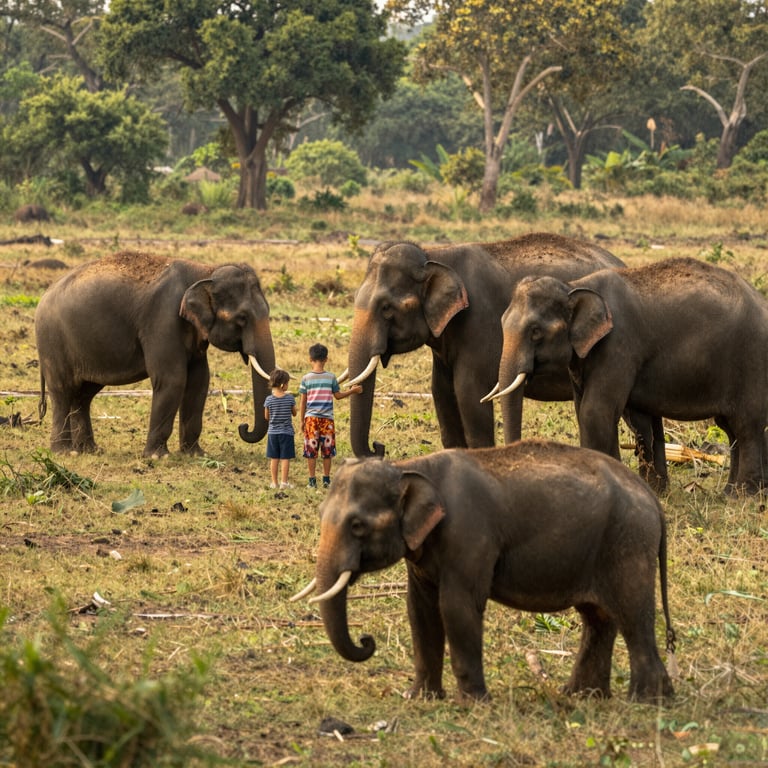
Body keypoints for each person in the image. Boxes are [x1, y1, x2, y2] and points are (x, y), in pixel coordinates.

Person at [299, 343, 362, 488]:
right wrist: (353, 391)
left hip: (311, 420)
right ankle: (326, 480)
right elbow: (338, 396)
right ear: (326, 359)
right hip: (327, 420)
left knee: (311, 451)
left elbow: (303, 402)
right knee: (327, 451)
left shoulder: (306, 378)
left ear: (310, 359)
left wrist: (302, 420)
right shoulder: (331, 377)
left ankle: (312, 481)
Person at [263, 368, 297, 489]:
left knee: (274, 458)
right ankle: (284, 482)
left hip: (272, 433)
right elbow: (294, 413)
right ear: (283, 385)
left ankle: (274, 482)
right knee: (285, 458)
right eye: (287, 383)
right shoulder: (289, 398)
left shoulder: (269, 400)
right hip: (286, 433)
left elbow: (266, 416)